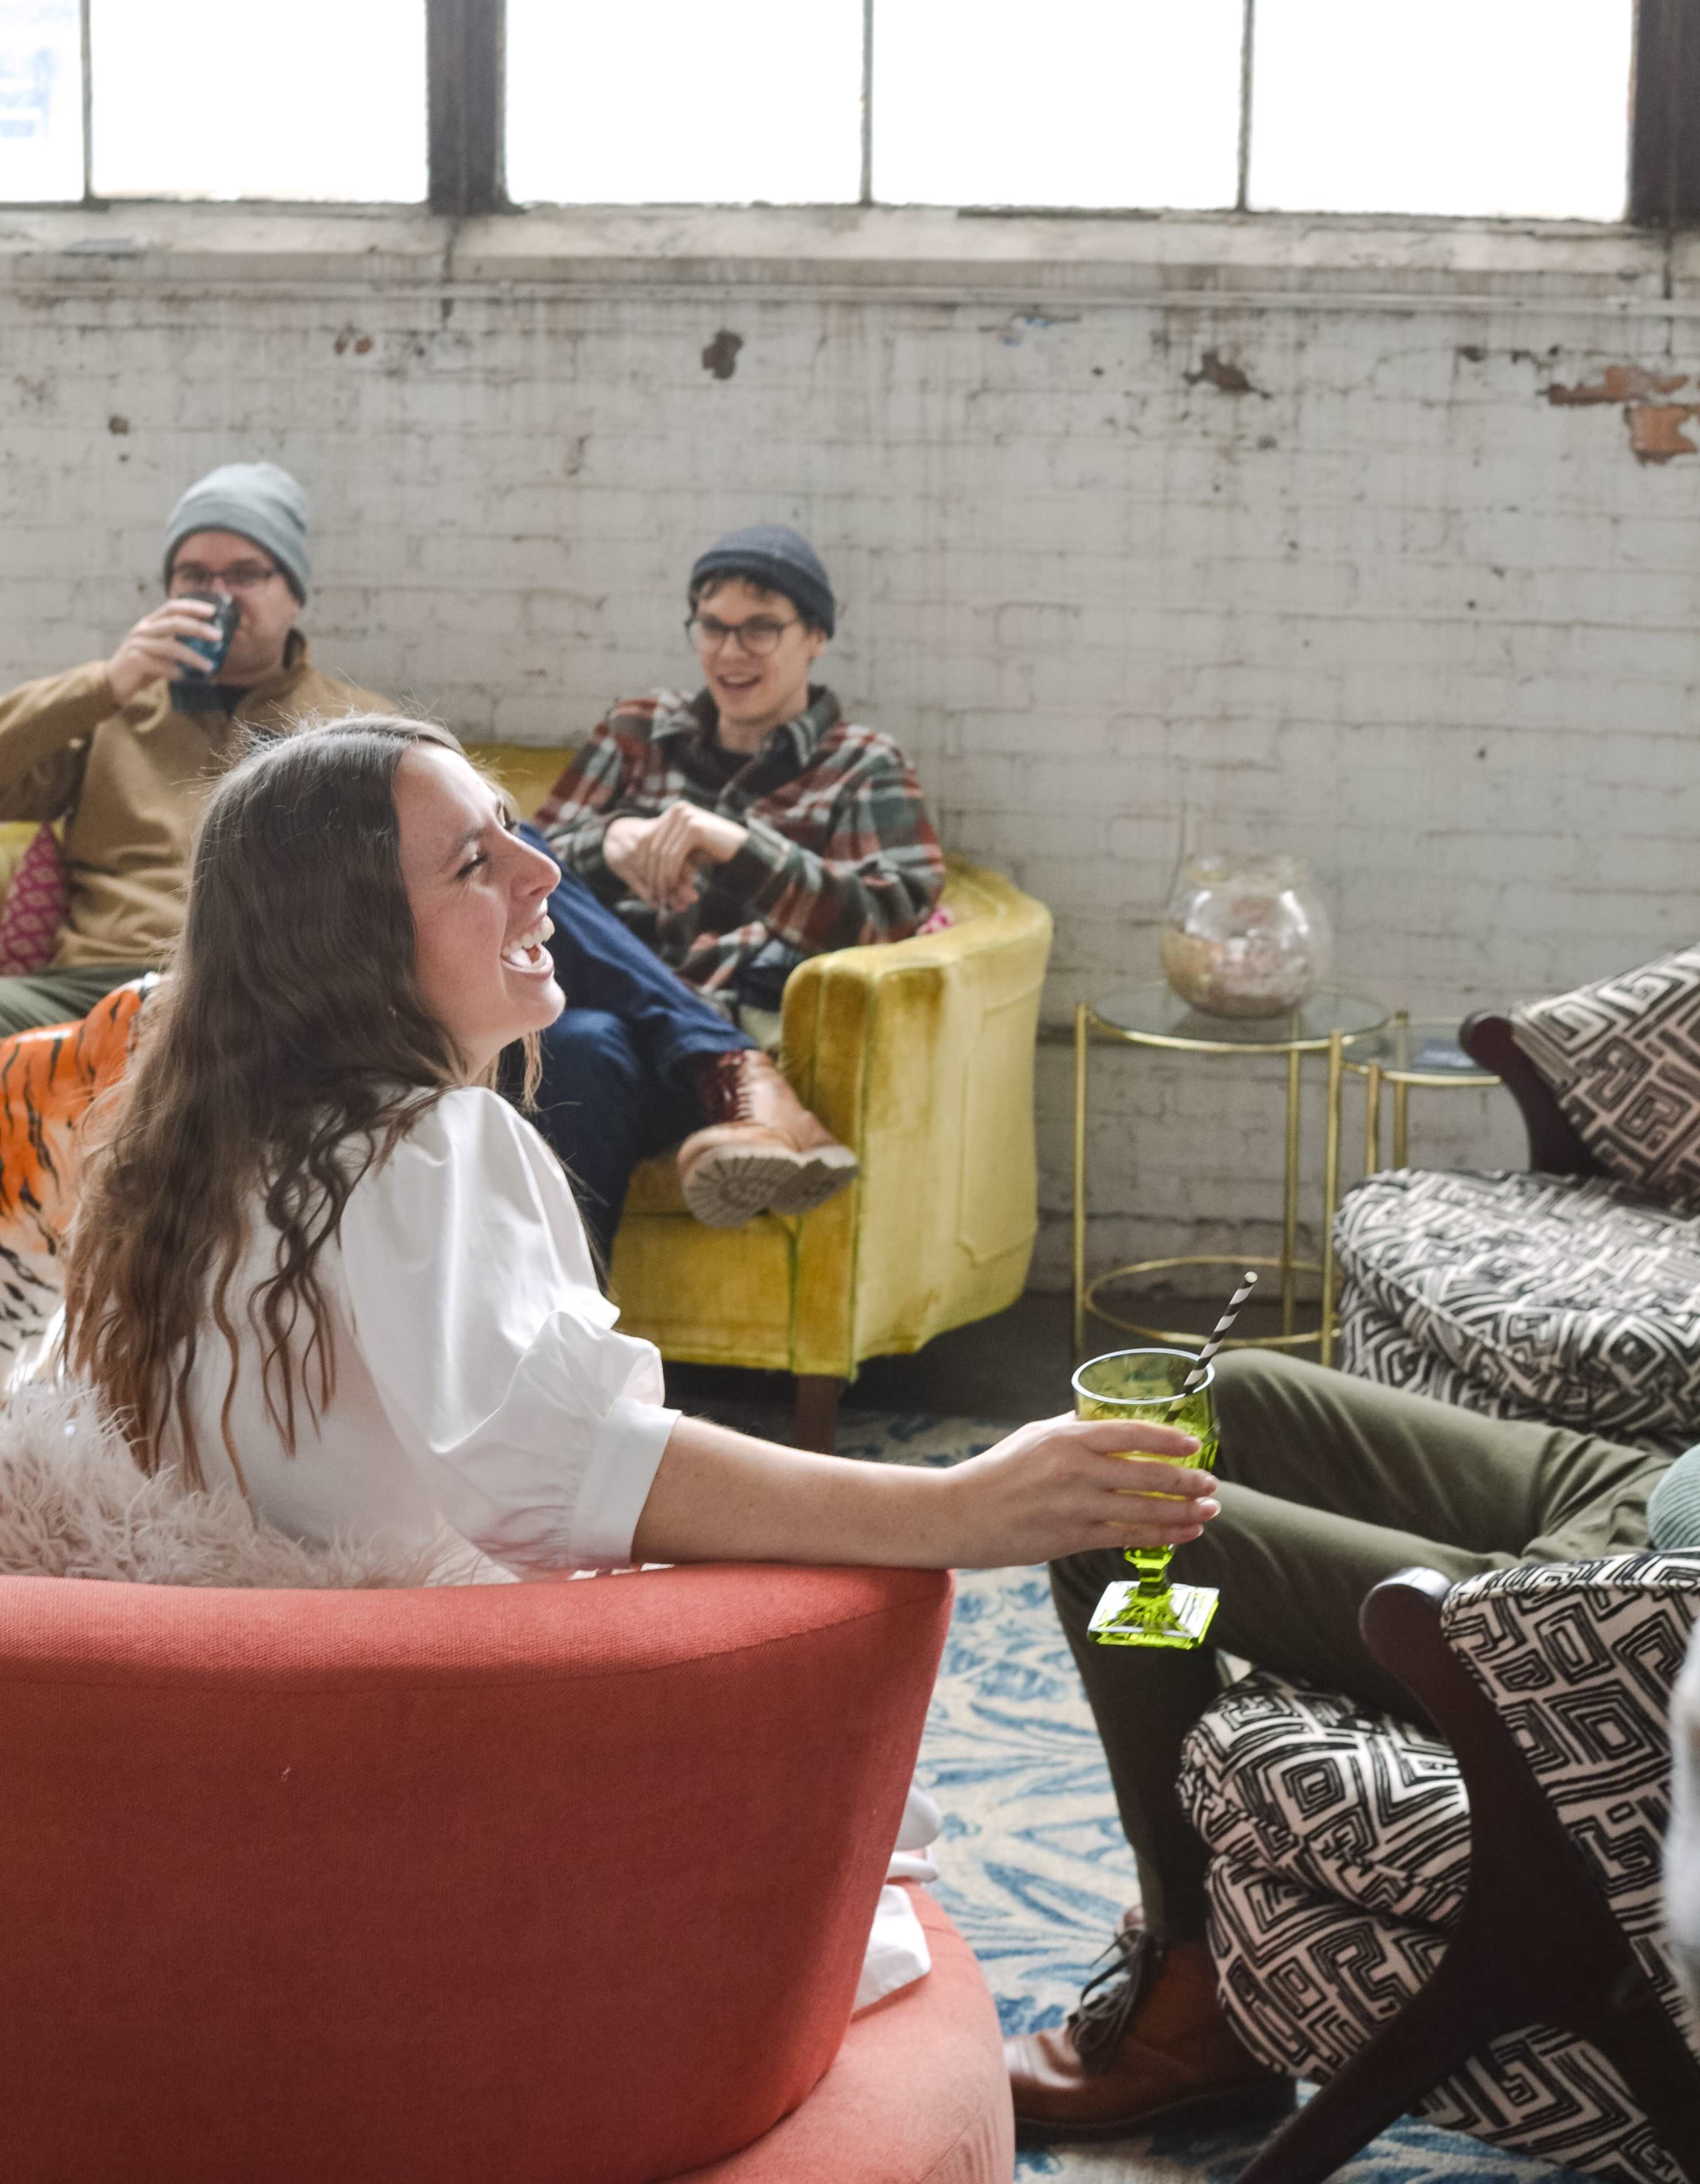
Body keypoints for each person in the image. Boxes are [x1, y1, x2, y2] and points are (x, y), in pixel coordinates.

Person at [61, 713, 1215, 1599]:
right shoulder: (428, 1147)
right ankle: (733, 1080)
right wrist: (955, 1510)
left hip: (288, 1704)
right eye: (475, 863)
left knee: (601, 1047)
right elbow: (564, 1470)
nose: (543, 875)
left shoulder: (200, 1153)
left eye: (516, 831)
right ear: (346, 944)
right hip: (439, 1720)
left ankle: (729, 1078)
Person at [1004, 1347, 1684, 2140]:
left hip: (1650, 1611)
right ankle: (1199, 1942)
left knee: (1117, 1537)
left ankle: (1194, 1991)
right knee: (1224, 1404)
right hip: (1659, 1488)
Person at [525, 525, 946, 1257]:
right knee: (576, 1029)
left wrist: (734, 848)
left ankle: (725, 1056)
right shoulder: (638, 731)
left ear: (816, 635)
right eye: (714, 627)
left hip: (722, 1055)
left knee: (580, 1047)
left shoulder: (861, 766)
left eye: (760, 629)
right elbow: (514, 882)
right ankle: (566, 1347)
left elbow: (891, 913)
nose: (730, 651)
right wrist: (607, 841)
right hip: (612, 1030)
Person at [0, 462, 387, 1037]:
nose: (218, 595)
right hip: (98, 990)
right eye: (195, 576)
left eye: (245, 574)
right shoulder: (113, 714)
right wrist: (107, 683)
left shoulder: (359, 726)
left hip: (274, 995)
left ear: (293, 595)